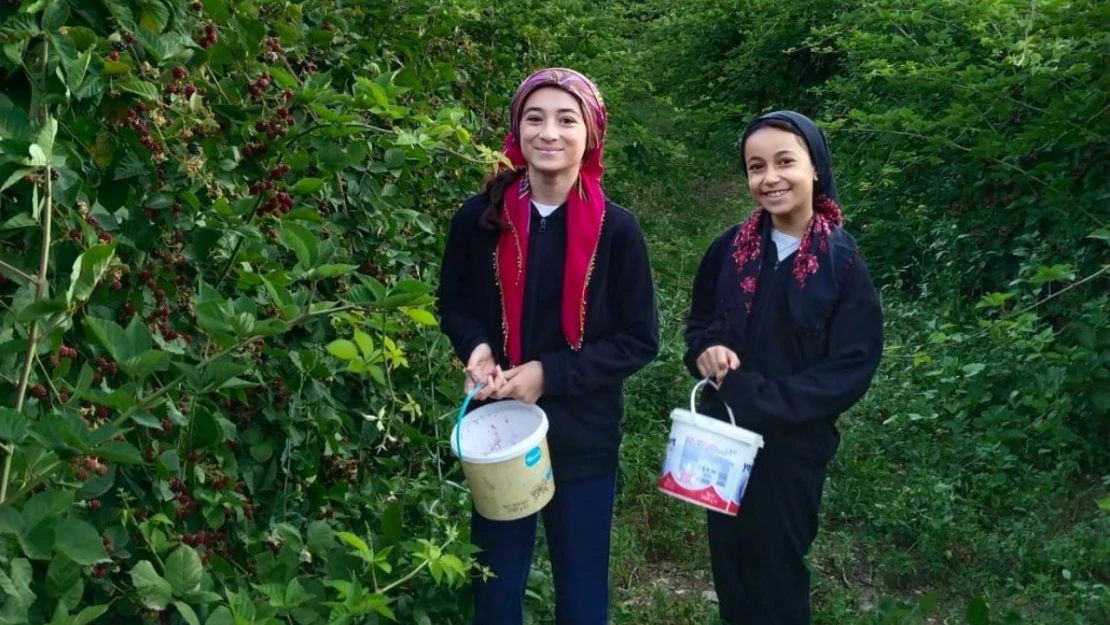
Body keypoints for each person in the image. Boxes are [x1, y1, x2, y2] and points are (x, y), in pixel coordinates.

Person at [435, 67, 660, 625]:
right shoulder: (480, 219)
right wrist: (478, 348)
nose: (550, 133)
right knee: (494, 584)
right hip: (500, 434)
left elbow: (639, 340)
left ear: (591, 133)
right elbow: (455, 301)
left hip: (584, 435)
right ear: (517, 131)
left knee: (582, 597)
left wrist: (549, 374)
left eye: (567, 119)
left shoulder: (617, 231)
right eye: (534, 118)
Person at [683, 111, 884, 624]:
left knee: (777, 570)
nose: (769, 178)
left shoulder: (841, 262)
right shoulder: (729, 250)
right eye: (756, 166)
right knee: (730, 566)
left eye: (784, 162)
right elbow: (700, 325)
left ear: (815, 168)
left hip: (793, 450)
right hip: (722, 441)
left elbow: (851, 366)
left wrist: (759, 396)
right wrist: (707, 352)